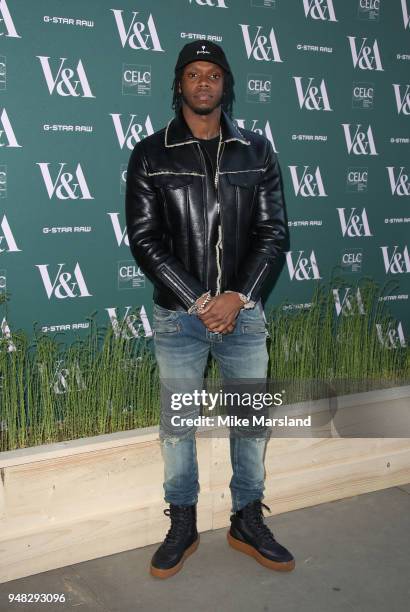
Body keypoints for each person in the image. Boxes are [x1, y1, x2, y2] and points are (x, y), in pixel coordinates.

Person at [125, 40, 294, 578]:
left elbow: (273, 234)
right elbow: (145, 239)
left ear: (226, 85)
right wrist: (200, 300)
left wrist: (235, 298)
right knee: (178, 425)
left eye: (213, 74)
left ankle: (247, 517)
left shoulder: (256, 151)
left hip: (243, 313)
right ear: (179, 84)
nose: (204, 83)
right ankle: (182, 520)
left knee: (250, 421)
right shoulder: (151, 153)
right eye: (193, 74)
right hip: (180, 316)